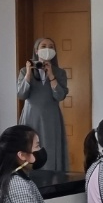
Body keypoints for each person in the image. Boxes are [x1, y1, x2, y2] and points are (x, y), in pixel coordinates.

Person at [18, 38, 70, 173]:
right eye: (44, 46)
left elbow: (60, 96)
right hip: (31, 116)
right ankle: (28, 174)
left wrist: (51, 75)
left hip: (51, 117)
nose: (48, 49)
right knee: (29, 145)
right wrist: (28, 73)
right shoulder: (24, 71)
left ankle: (52, 175)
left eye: (51, 46)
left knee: (50, 146)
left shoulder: (60, 73)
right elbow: (21, 94)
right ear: (36, 50)